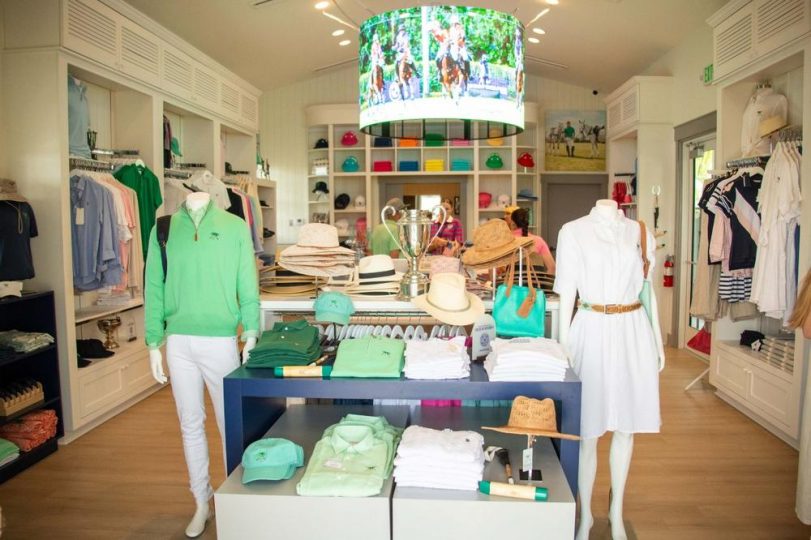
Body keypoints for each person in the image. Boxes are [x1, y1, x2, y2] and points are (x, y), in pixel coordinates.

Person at [145, 191, 260, 538]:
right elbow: (154, 287)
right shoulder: (163, 228)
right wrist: (153, 342)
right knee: (190, 424)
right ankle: (201, 502)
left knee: (230, 425)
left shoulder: (234, 225)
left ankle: (233, 499)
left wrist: (251, 331)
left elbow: (247, 282)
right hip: (178, 342)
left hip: (221, 341)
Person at [553, 199, 664, 540]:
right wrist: (563, 345)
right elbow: (567, 293)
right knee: (587, 430)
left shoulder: (639, 232)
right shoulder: (573, 231)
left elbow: (648, 291)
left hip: (633, 328)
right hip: (591, 327)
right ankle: (585, 514)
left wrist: (658, 342)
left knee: (626, 427)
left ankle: (616, 512)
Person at [509, 208, 555, 273]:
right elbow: (552, 268)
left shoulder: (506, 241)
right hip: (535, 279)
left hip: (510, 279)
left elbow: (496, 268)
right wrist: (541, 279)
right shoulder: (539, 240)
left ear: (513, 222)